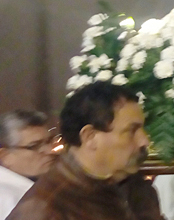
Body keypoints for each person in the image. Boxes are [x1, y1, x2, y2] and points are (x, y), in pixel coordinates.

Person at [8, 81, 163, 220]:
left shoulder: (133, 186)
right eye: (131, 131)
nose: (144, 141)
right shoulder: (45, 208)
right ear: (90, 136)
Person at [0, 110, 56, 218]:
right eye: (34, 146)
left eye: (49, 141)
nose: (50, 151)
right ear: (5, 156)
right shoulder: (7, 199)